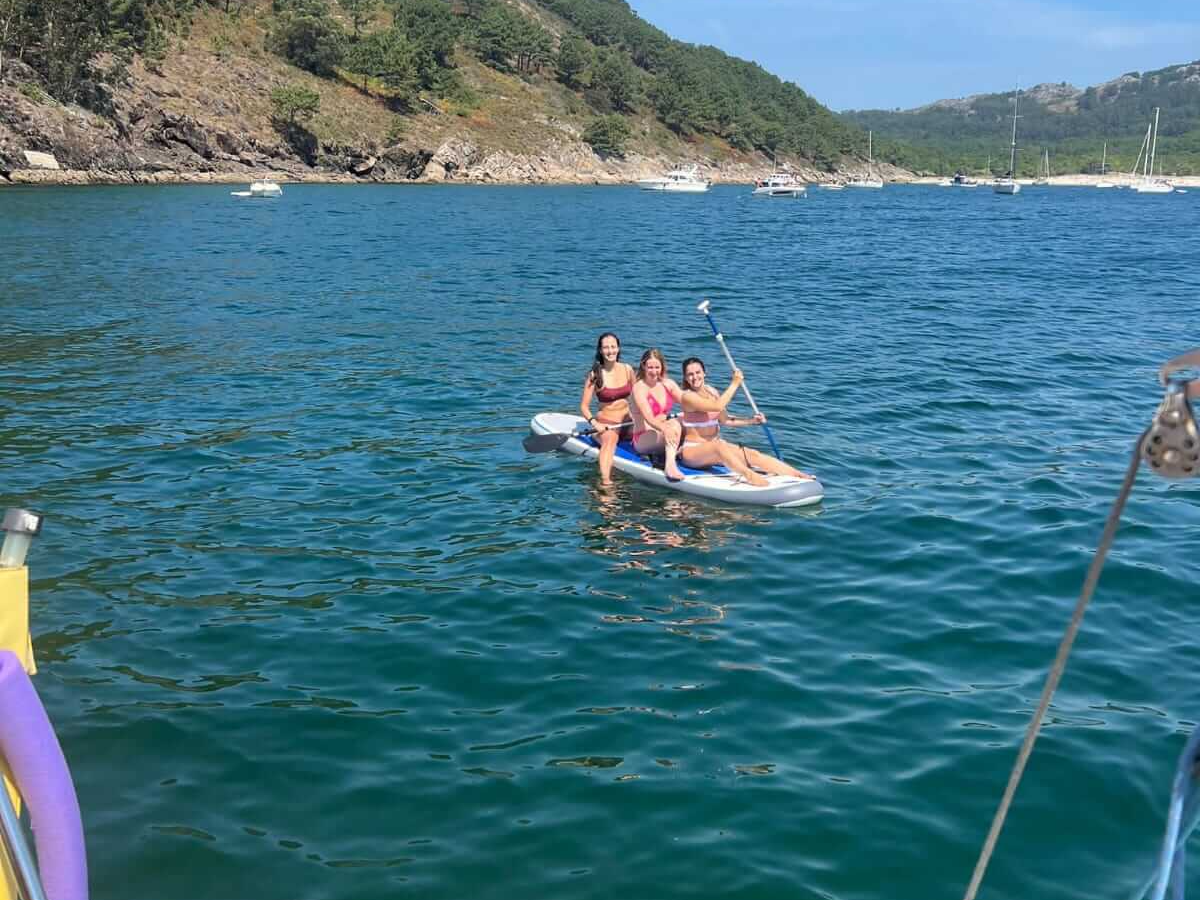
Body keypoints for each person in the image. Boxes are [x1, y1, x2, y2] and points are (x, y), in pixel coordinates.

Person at [678, 357, 814, 484]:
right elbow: (717, 406)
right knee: (719, 445)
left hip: (716, 450)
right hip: (693, 452)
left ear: (704, 373)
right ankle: (750, 477)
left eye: (698, 372)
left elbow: (726, 420)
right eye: (690, 374)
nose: (695, 377)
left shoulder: (712, 392)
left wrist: (752, 421)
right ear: (685, 377)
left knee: (752, 454)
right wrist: (735, 383)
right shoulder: (687, 397)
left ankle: (798, 474)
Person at [579, 332, 636, 486]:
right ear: (600, 350)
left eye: (613, 347)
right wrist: (594, 424)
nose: (610, 351)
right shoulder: (595, 375)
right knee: (610, 439)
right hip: (606, 425)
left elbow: (638, 395)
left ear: (618, 348)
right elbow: (583, 406)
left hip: (627, 423)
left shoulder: (627, 369)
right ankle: (605, 482)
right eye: (606, 347)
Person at [629, 348, 686, 482]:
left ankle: (694, 450)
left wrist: (710, 405)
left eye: (657, 367)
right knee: (673, 424)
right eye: (650, 367)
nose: (654, 371)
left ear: (662, 367)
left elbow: (687, 402)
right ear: (643, 366)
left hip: (665, 432)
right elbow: (649, 418)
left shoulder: (668, 384)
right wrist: (665, 428)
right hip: (644, 438)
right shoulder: (639, 388)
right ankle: (670, 466)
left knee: (686, 418)